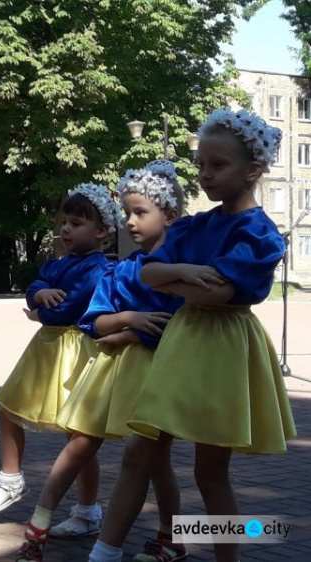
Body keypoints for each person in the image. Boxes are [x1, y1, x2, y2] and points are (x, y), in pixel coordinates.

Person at [88, 108, 297, 562]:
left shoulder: (259, 232)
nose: (204, 174)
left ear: (253, 170)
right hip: (182, 345)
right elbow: (149, 275)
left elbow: (219, 294)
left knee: (210, 472)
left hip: (222, 347)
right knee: (138, 454)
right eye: (201, 164)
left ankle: (226, 556)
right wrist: (180, 271)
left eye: (217, 165)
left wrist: (170, 279)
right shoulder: (197, 225)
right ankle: (104, 553)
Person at [15, 162, 185, 562]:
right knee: (79, 441)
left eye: (140, 213)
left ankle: (167, 538)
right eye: (127, 213)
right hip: (111, 373)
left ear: (170, 216)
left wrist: (128, 332)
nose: (131, 221)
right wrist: (128, 320)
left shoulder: (177, 271)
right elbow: (94, 322)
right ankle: (38, 526)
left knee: (153, 461)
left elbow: (176, 324)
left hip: (155, 375)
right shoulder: (121, 268)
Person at [0, 183, 119, 519]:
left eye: (76, 223)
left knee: (78, 435)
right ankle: (11, 478)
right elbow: (36, 283)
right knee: (8, 407)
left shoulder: (98, 268)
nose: (65, 229)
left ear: (101, 232)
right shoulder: (60, 262)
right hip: (45, 350)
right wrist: (39, 295)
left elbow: (68, 309)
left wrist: (40, 311)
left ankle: (87, 511)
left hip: (74, 350)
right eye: (64, 222)